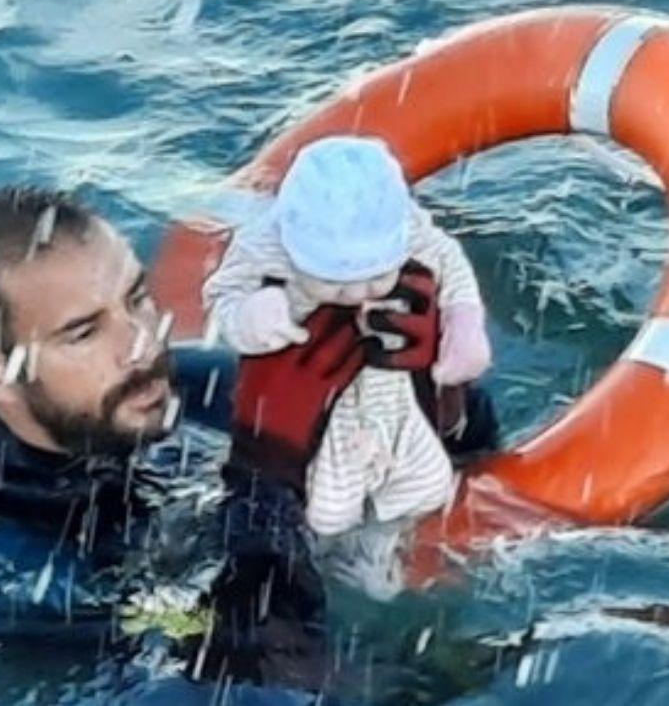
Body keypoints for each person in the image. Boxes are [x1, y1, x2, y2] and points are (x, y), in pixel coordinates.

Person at [0, 185, 499, 698]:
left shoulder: (187, 388)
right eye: (83, 332)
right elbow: (265, 674)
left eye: (136, 299)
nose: (143, 345)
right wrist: (268, 469)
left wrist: (433, 395)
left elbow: (453, 463)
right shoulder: (4, 570)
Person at [203, 136, 492, 599]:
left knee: (421, 476)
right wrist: (252, 314)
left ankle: (385, 545)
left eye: (376, 278)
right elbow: (226, 292)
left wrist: (464, 330)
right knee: (308, 515)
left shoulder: (415, 235)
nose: (360, 296)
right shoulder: (266, 245)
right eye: (337, 284)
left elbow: (453, 272)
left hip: (395, 397)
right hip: (305, 425)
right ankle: (323, 564)